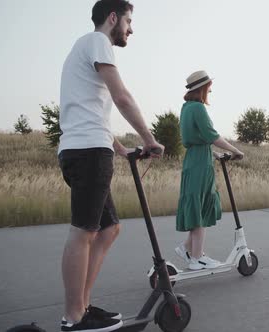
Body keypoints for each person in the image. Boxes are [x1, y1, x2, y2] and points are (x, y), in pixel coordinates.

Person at [57, 1, 164, 331]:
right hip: (88, 153)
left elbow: (93, 114)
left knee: (109, 228)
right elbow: (122, 97)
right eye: (129, 21)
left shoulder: (85, 48)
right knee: (84, 231)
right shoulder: (98, 41)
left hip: (89, 148)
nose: (131, 29)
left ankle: (83, 306)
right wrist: (149, 138)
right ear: (113, 17)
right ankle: (74, 317)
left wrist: (122, 149)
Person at [174, 70, 244, 270]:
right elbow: (212, 135)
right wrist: (235, 150)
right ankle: (197, 258)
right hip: (200, 162)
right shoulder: (198, 108)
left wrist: (212, 153)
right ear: (202, 88)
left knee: (198, 202)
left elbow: (195, 137)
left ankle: (188, 248)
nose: (210, 90)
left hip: (194, 157)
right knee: (201, 203)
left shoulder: (186, 107)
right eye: (209, 87)